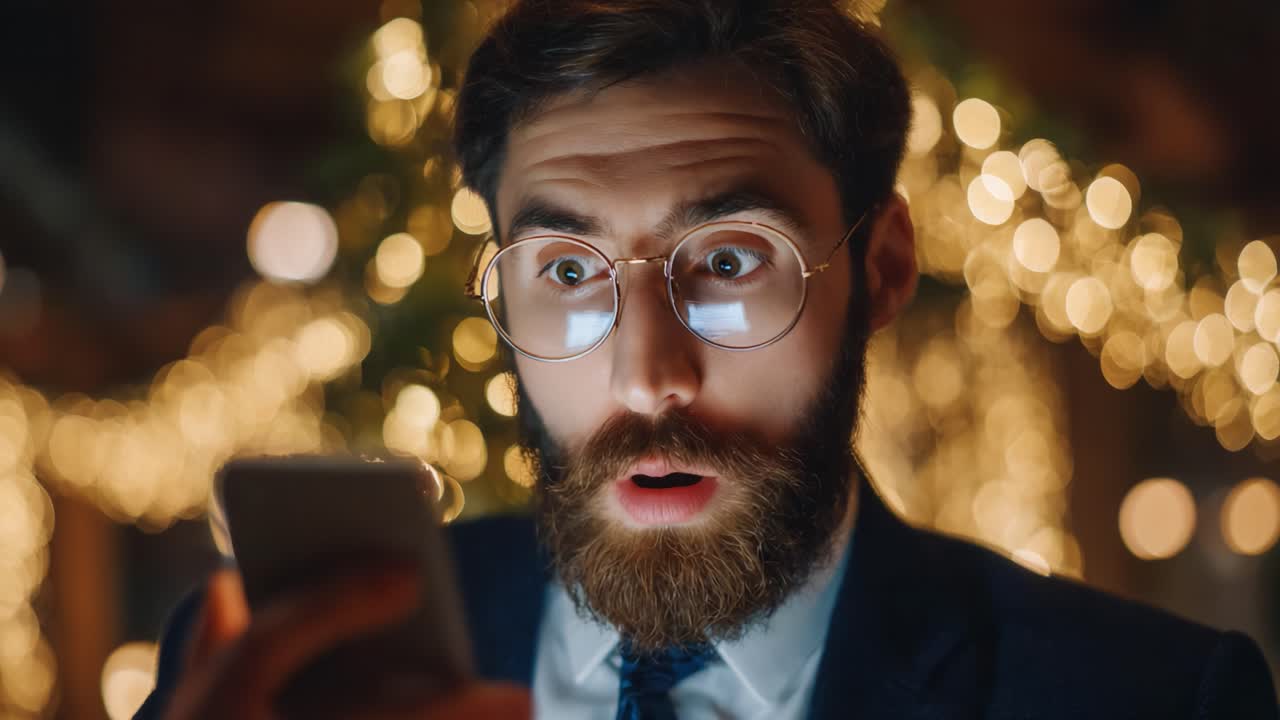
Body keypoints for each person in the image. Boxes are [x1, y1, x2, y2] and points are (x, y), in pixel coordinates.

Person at [137, 1, 1278, 718]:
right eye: (569, 272)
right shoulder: (271, 674)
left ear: (878, 269)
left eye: (729, 262)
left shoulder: (1147, 697)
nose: (646, 377)